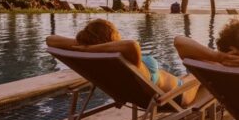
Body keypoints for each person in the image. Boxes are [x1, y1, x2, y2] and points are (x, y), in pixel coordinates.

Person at [47, 18, 203, 105]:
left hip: (140, 96)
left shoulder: (104, 59)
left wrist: (87, 46)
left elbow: (50, 40)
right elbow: (132, 45)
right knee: (202, 75)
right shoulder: (128, 57)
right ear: (112, 36)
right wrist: (91, 47)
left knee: (191, 76)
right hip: (176, 95)